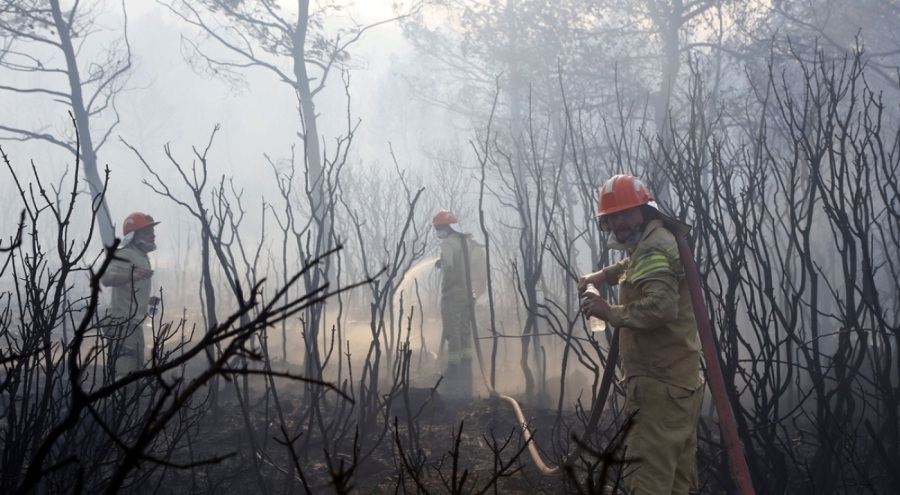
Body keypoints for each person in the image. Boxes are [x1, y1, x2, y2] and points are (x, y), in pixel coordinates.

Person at [578, 174, 704, 494]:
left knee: (647, 481)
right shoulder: (655, 239)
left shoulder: (651, 247)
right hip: (681, 382)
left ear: (645, 210)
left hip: (658, 386)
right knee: (675, 481)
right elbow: (636, 265)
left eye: (626, 213)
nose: (618, 222)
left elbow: (661, 308)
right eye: (612, 216)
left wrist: (610, 313)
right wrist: (605, 274)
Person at [101, 212, 160, 380]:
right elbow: (106, 278)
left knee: (134, 374)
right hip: (122, 326)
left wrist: (147, 300)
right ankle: (117, 406)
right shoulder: (124, 254)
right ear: (134, 235)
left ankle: (125, 405)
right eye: (147, 231)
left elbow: (128, 288)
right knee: (124, 377)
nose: (153, 235)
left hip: (132, 326)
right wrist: (133, 275)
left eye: (152, 231)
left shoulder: (141, 256)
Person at [432, 209, 482, 399]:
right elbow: (461, 263)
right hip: (466, 293)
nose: (437, 231)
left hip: (452, 295)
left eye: (438, 227)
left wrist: (446, 286)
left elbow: (451, 266)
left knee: (453, 332)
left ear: (446, 227)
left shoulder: (447, 244)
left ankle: (453, 371)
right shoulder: (465, 243)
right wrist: (441, 261)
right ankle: (466, 369)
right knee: (464, 331)